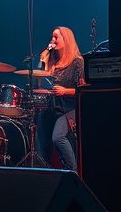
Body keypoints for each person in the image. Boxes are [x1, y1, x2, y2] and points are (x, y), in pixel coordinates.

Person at [35, 26, 85, 171]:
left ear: (66, 39)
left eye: (56, 37)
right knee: (42, 143)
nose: (52, 40)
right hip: (52, 107)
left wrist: (64, 91)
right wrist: (43, 62)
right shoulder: (52, 63)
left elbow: (83, 90)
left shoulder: (77, 62)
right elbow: (40, 83)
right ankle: (46, 172)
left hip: (69, 108)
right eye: (52, 37)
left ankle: (73, 172)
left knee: (58, 137)